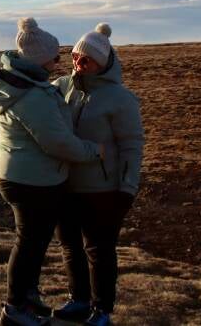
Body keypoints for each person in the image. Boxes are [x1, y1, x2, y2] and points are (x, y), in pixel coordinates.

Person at [0, 17, 104, 326]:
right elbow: (59, 144)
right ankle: (14, 310)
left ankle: (27, 298)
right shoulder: (33, 97)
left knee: (32, 241)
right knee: (29, 243)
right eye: (55, 57)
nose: (59, 62)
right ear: (40, 60)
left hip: (11, 171)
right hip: (31, 180)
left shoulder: (13, 83)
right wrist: (94, 150)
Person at [51, 23, 144, 326]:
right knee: (69, 246)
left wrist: (127, 189)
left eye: (86, 59)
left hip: (102, 190)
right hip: (65, 185)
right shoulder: (61, 87)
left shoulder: (121, 99)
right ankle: (78, 300)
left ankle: (101, 309)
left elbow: (132, 146)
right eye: (76, 56)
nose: (79, 63)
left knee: (99, 250)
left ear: (102, 64)